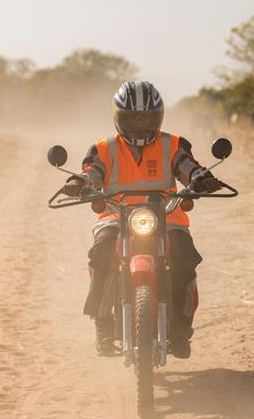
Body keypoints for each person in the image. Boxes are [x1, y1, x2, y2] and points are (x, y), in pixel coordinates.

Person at [62, 81, 223, 359]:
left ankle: (182, 328)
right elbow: (92, 171)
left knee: (185, 259)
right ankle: (103, 324)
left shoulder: (172, 144)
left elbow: (188, 166)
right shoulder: (103, 148)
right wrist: (82, 183)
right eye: (132, 118)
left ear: (157, 117)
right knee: (101, 255)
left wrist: (201, 178)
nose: (139, 124)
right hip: (114, 214)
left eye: (146, 117)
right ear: (118, 117)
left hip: (167, 215)